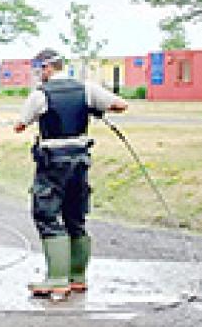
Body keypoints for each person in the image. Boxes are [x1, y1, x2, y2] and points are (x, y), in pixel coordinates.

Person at [14, 49, 128, 297]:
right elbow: (120, 105)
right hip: (80, 162)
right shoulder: (86, 89)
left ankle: (56, 279)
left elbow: (20, 125)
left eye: (39, 70)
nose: (39, 75)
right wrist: (96, 110)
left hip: (52, 163)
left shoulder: (40, 95)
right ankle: (78, 276)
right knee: (75, 216)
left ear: (47, 68)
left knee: (48, 216)